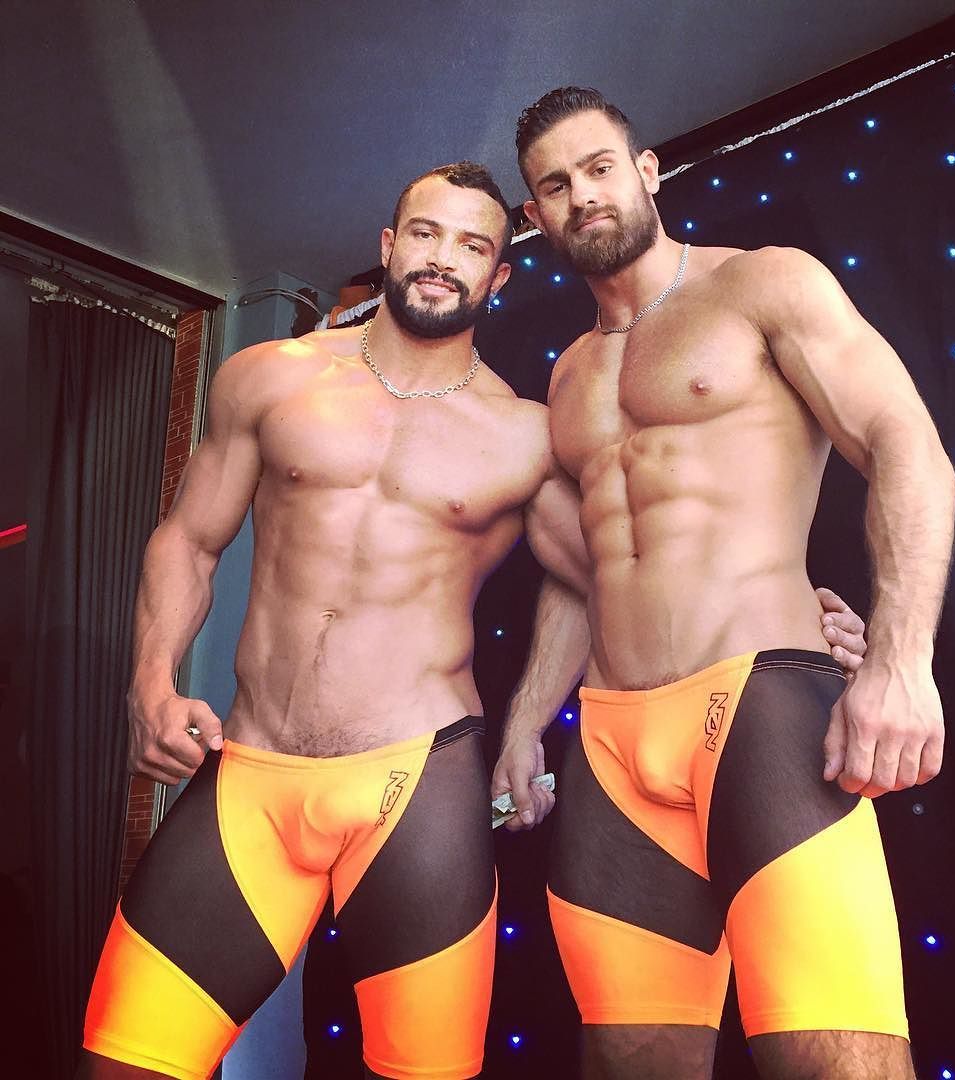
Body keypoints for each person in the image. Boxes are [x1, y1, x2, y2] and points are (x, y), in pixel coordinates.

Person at [79, 160, 866, 1080]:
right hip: (250, 773)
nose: (442, 258)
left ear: (499, 275)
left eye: (471, 245)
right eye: (425, 233)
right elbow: (187, 539)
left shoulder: (524, 434)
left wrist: (788, 604)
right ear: (389, 246)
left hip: (417, 786)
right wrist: (151, 680)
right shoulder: (268, 380)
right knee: (122, 1062)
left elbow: (618, 573)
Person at [495, 87, 955, 1080]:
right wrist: (527, 720)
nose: (584, 195)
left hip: (762, 706)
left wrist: (899, 659)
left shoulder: (762, 284)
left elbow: (903, 441)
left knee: (837, 1059)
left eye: (600, 168)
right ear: (535, 216)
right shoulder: (567, 376)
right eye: (556, 186)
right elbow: (584, 569)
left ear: (646, 170)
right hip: (613, 743)